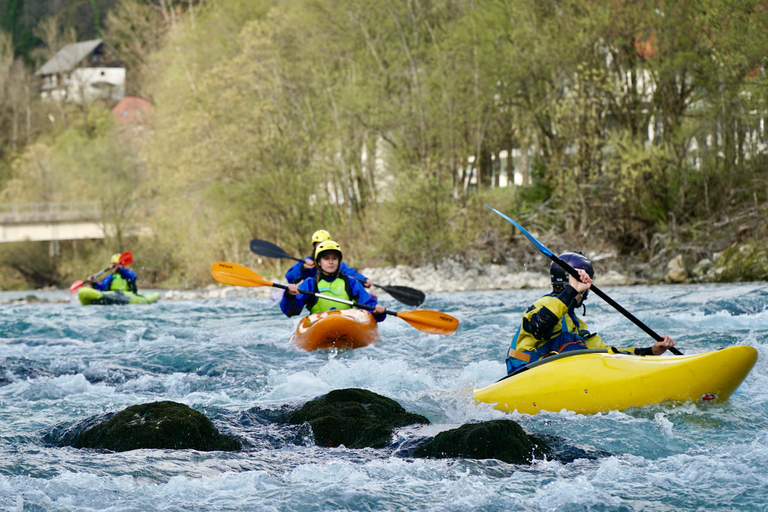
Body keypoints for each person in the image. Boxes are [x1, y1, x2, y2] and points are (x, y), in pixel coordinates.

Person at [505, 252, 676, 375]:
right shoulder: (543, 305)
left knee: (581, 347)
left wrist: (650, 351)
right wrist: (572, 289)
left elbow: (606, 353)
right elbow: (539, 327)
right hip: (525, 373)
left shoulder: (575, 324)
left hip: (552, 377)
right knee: (570, 343)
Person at [280, 240, 386, 320]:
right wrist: (289, 295)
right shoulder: (310, 284)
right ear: (319, 262)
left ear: (339, 261)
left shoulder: (352, 283)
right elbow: (290, 311)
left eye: (334, 258)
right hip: (319, 325)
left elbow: (369, 306)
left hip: (348, 324)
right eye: (326, 259)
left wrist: (377, 311)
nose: (331, 262)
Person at [285, 229, 374, 288]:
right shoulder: (306, 262)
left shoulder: (336, 263)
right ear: (314, 246)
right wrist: (302, 268)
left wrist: (364, 280)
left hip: (334, 289)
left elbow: (350, 273)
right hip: (314, 294)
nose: (330, 261)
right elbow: (290, 278)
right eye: (319, 245)